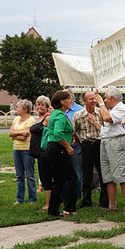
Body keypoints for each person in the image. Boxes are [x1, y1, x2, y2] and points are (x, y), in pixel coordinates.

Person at [96, 86, 125, 214]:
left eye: (106, 98)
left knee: (122, 174)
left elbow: (107, 118)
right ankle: (112, 206)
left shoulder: (122, 108)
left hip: (117, 142)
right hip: (106, 141)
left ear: (112, 98)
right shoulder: (112, 109)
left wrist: (100, 103)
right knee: (108, 176)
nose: (105, 100)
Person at [71, 91, 109, 209]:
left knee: (103, 174)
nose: (93, 101)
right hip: (86, 145)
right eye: (90, 99)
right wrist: (80, 142)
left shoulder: (99, 112)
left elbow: (106, 129)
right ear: (84, 101)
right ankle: (86, 202)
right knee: (86, 175)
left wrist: (95, 122)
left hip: (99, 144)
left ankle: (104, 201)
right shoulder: (78, 115)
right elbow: (73, 131)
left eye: (94, 98)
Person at [47, 90, 77, 218]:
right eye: (68, 99)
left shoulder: (56, 114)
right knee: (71, 177)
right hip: (58, 148)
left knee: (58, 179)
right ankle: (69, 209)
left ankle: (53, 210)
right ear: (61, 102)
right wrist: (68, 146)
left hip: (53, 148)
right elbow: (58, 133)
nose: (70, 101)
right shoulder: (59, 115)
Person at [9, 100, 37, 204]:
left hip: (27, 150)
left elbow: (24, 136)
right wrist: (18, 134)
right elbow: (10, 133)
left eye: (18, 107)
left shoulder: (31, 120)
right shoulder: (16, 119)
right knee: (19, 175)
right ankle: (19, 199)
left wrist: (15, 135)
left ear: (25, 109)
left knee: (29, 175)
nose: (16, 109)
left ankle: (32, 199)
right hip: (16, 149)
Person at [29, 96, 53, 211]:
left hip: (46, 152)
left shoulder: (47, 118)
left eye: (42, 105)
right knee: (43, 177)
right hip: (38, 153)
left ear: (48, 106)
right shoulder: (37, 118)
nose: (39, 106)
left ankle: (49, 203)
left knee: (47, 177)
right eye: (38, 104)